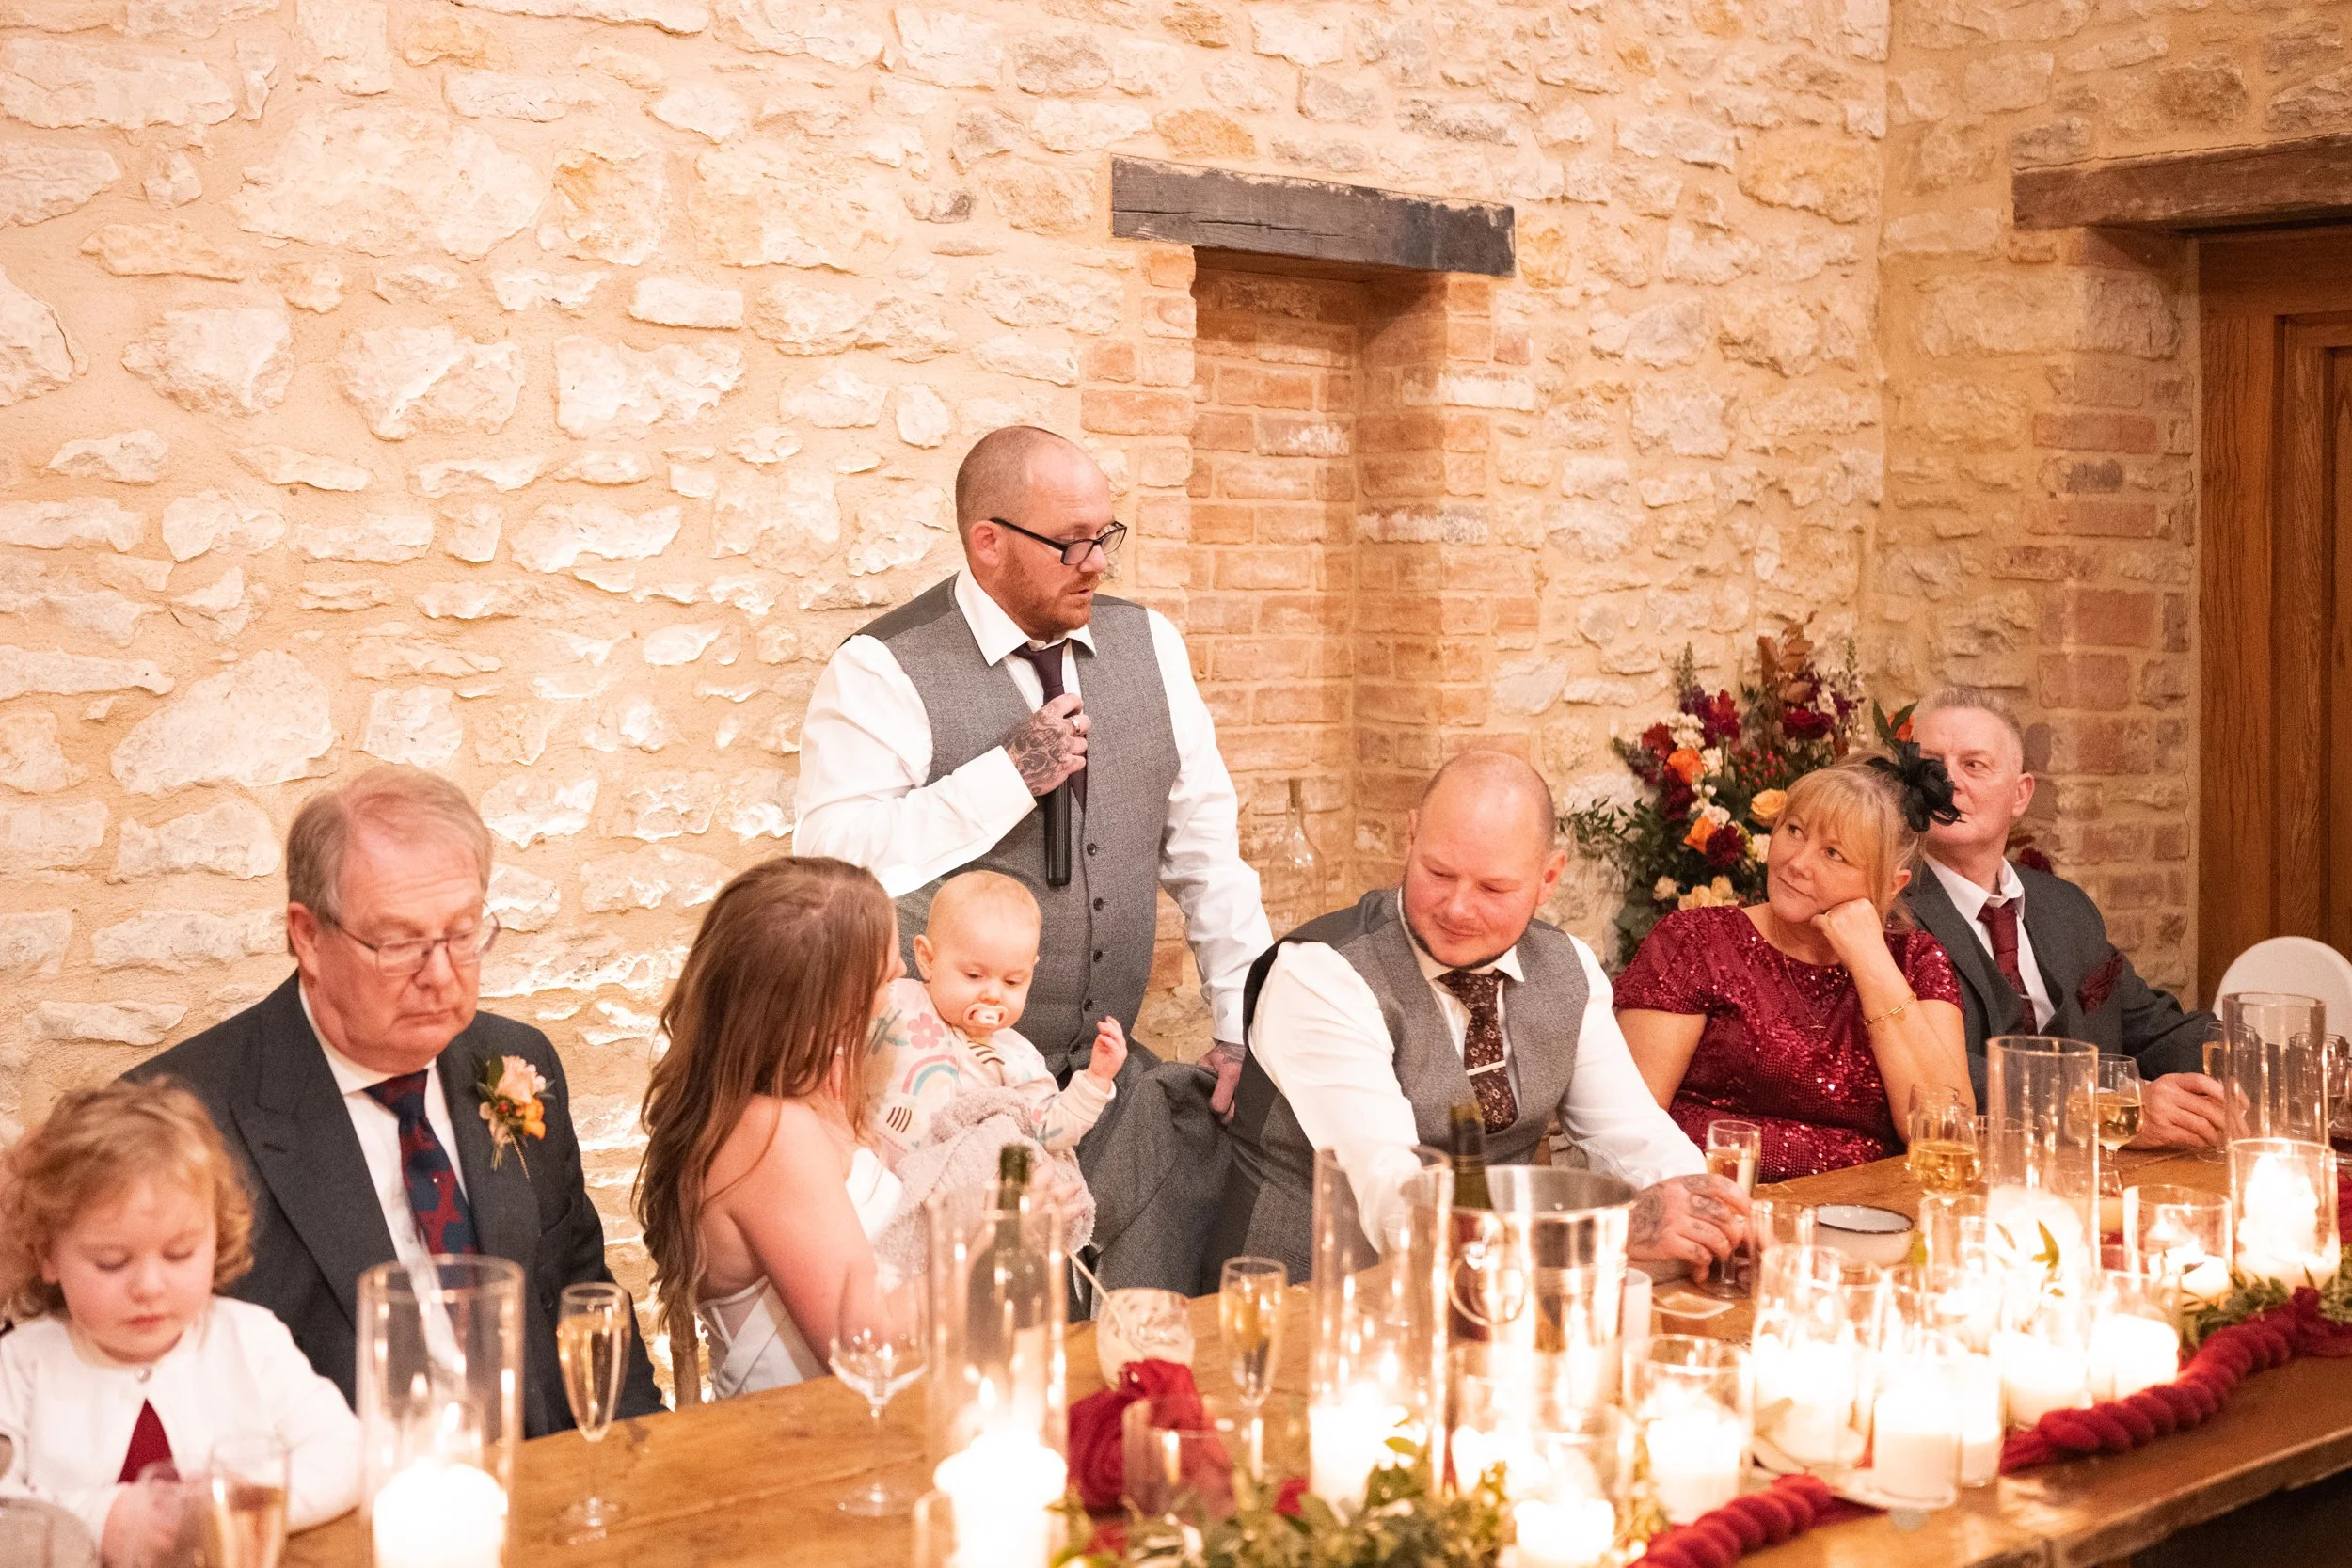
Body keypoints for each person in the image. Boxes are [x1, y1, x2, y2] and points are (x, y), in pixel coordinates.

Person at [133, 767, 662, 1436]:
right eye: (401, 942)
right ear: (308, 935)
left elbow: (586, 1297)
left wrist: (643, 1468)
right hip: (334, 1509)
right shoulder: (185, 1117)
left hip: (541, 1489)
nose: (440, 974)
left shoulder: (516, 1062)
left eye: (462, 933)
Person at [792, 425, 1273, 1124]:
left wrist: (1241, 1028)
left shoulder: (1154, 645)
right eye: (1073, 541)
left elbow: (1210, 859)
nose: (1098, 564)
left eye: (1106, 535)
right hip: (932, 1101)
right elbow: (828, 863)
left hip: (1102, 1090)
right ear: (989, 542)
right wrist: (1007, 776)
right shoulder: (880, 666)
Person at [1212, 751, 1745, 1287]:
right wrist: (1605, 1229)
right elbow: (1400, 1210)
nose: (1458, 909)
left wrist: (1716, 1216)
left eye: (1494, 888)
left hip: (1501, 1297)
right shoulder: (1321, 976)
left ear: (1548, 878)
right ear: (1410, 838)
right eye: (1438, 873)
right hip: (1310, 1301)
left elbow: (1631, 1132)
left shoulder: (1568, 968)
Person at [0, 1081, 361, 1558]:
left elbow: (347, 1455)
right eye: (111, 1261)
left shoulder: (252, 1341)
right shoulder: (21, 1364)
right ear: (48, 1254)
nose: (149, 1286)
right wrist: (104, 1518)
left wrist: (234, 1507)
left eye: (179, 1253)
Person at [1617, 753, 1977, 1181]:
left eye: (1833, 853)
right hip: (1716, 1212)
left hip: (1871, 1222)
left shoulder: (1916, 961)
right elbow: (1629, 1127)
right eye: (1794, 830)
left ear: (1890, 885)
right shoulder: (1694, 941)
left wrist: (1873, 965)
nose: (1797, 862)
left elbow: (1948, 1133)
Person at [635, 857, 908, 1402]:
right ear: (829, 1001)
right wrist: (992, 1246)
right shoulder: (769, 1133)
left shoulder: (801, 1084)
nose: (900, 973)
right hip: (801, 1445)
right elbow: (866, 1346)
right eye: (884, 972)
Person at [1904, 688, 2226, 1148]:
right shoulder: (1888, 913)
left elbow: (2148, 1026)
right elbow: (1933, 1075)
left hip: (2097, 1183)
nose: (1948, 782)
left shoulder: (2065, 906)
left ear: (2020, 795)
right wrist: (2109, 1108)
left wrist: (2261, 1065)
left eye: (1973, 765)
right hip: (1963, 1175)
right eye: (1931, 764)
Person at [866, 869, 1127, 1169]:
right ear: (928, 958)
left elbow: (1049, 1133)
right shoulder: (893, 1001)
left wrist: (1096, 1080)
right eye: (974, 975)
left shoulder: (1019, 1058)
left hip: (959, 1196)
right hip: (877, 1180)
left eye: (1013, 982)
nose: (993, 995)